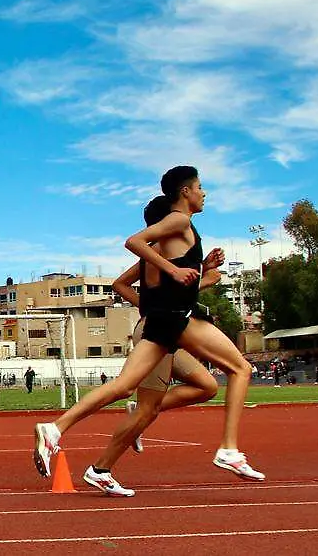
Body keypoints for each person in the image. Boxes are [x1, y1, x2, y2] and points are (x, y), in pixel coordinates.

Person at [32, 166, 262, 493]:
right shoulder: (178, 223)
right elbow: (136, 245)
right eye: (200, 186)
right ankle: (228, 449)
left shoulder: (177, 236)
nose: (204, 192)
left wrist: (200, 270)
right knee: (240, 368)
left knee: (128, 386)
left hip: (166, 320)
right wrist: (181, 274)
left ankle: (55, 429)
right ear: (184, 193)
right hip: (172, 319)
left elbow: (170, 281)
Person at [77, 241, 226, 497]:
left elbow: (127, 285)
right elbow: (160, 290)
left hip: (171, 332)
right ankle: (100, 469)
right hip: (156, 332)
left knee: (207, 386)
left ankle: (138, 410)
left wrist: (203, 269)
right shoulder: (158, 251)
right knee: (143, 405)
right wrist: (203, 280)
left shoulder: (176, 252)